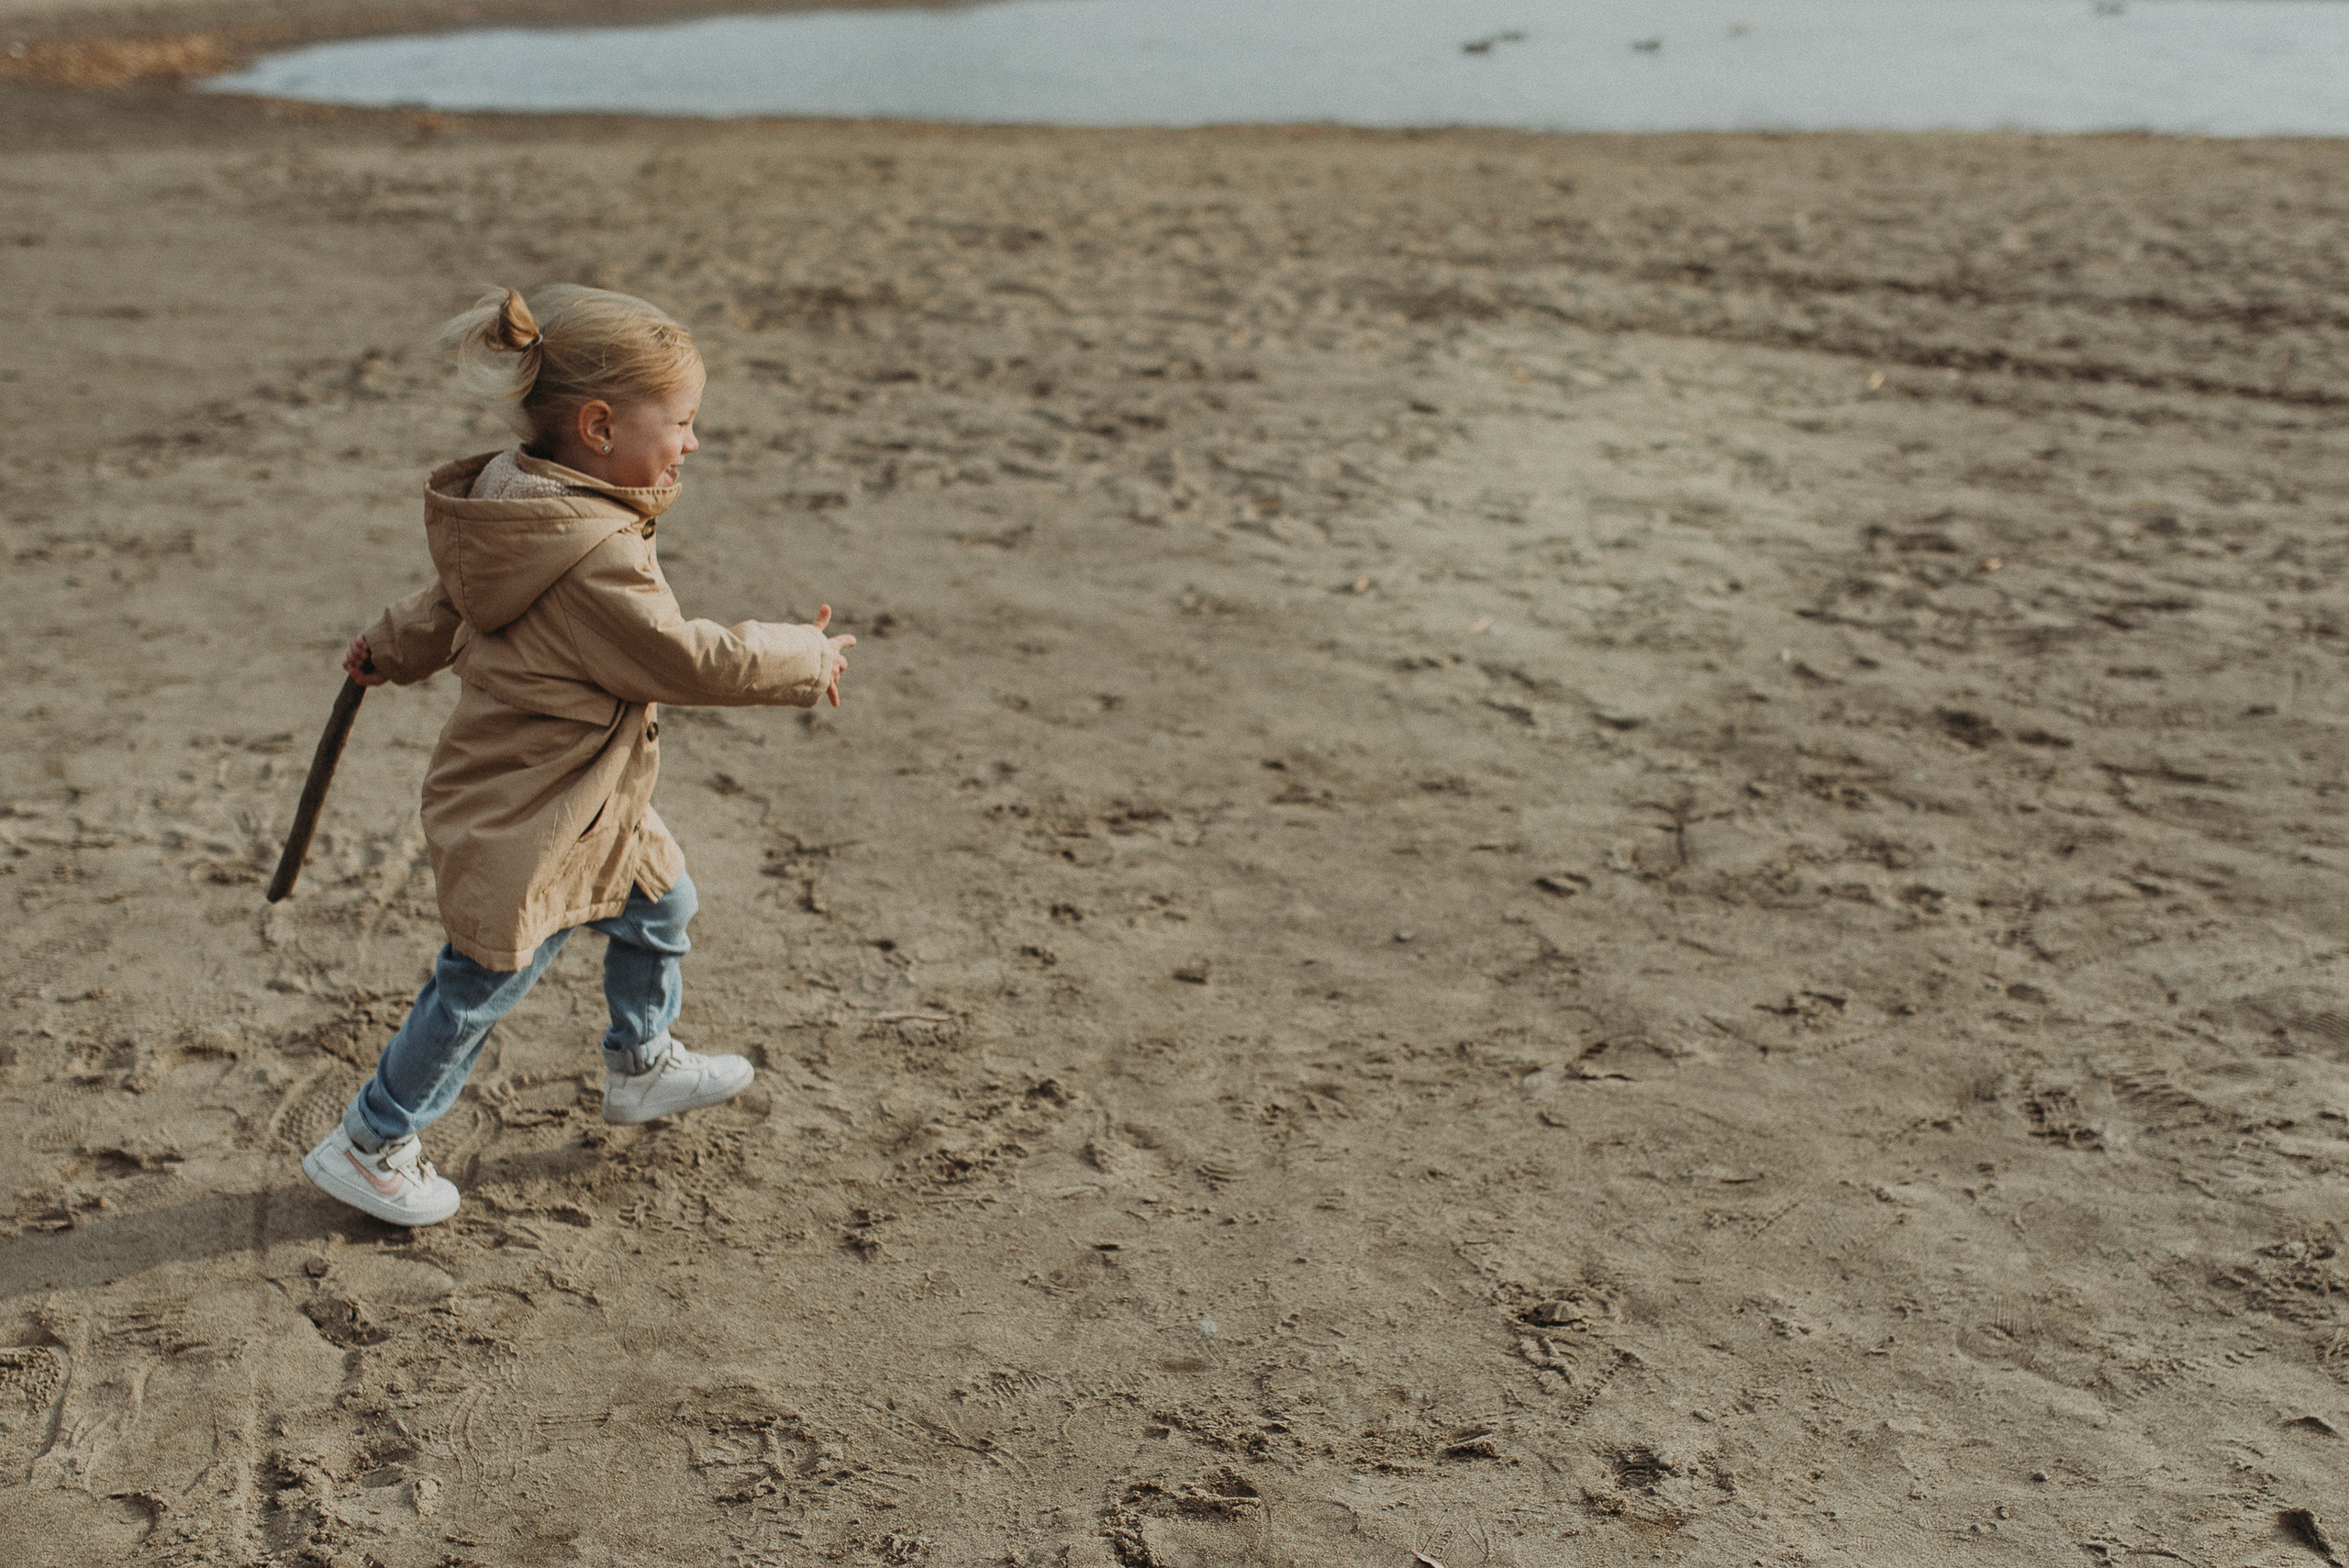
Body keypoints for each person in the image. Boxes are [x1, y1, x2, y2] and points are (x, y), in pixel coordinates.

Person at [301, 284, 853, 1227]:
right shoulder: (595, 548)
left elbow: (451, 597)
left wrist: (389, 644)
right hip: (535, 804)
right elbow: (678, 656)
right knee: (481, 978)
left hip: (593, 790)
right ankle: (370, 1139)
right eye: (681, 422)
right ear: (599, 425)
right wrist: (803, 655)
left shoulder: (519, 497)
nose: (690, 443)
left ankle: (639, 1061)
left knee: (661, 901)